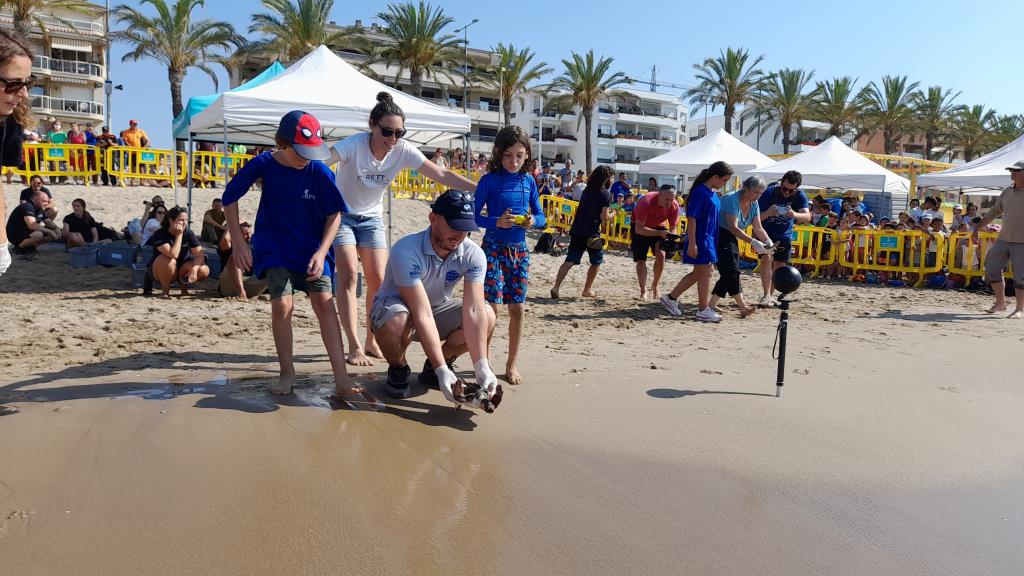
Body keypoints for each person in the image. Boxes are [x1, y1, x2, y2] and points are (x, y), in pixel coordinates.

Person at [328, 92, 477, 367]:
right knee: (349, 275)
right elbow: (322, 162)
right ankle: (354, 345)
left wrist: (482, 190)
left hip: (371, 218)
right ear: (372, 126)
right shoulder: (353, 145)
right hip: (343, 215)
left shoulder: (402, 150)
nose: (392, 139)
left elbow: (441, 175)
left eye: (399, 132)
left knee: (378, 281)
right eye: (387, 131)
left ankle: (372, 340)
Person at [224, 110, 363, 399]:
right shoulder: (263, 164)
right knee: (282, 305)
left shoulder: (319, 170)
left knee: (325, 303)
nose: (307, 158)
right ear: (283, 144)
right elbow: (230, 196)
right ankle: (287, 371)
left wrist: (322, 251)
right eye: (301, 151)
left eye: (312, 151)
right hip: (275, 246)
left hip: (313, 248)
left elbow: (334, 215)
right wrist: (238, 242)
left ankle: (342, 378)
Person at [370, 191, 497, 401]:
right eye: (454, 226)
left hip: (437, 309)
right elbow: (421, 313)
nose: (460, 235)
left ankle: (435, 367)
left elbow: (474, 310)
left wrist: (481, 366)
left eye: (466, 229)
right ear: (433, 218)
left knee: (487, 314)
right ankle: (399, 368)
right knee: (396, 321)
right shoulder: (406, 249)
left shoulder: (474, 254)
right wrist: (442, 371)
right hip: (397, 310)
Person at [474, 125, 547, 386]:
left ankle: (511, 363)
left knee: (518, 308)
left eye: (518, 155)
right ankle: (486, 363)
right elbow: (474, 217)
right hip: (492, 247)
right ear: (498, 154)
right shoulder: (489, 180)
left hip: (519, 251)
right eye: (507, 155)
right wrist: (496, 222)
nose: (513, 161)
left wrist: (531, 221)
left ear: (527, 154)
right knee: (491, 308)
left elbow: (542, 217)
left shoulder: (529, 181)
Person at [660, 161, 734, 323]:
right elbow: (692, 218)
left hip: (709, 238)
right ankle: (702, 309)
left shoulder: (712, 193)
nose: (724, 184)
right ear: (715, 177)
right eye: (724, 180)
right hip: (701, 238)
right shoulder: (700, 192)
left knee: (700, 272)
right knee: (706, 272)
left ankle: (671, 298)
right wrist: (692, 243)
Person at [707, 175, 773, 318]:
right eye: (756, 192)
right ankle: (742, 306)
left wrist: (768, 241)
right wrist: (753, 242)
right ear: (746, 188)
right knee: (732, 270)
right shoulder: (732, 199)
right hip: (716, 233)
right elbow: (733, 227)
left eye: (761, 193)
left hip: (729, 235)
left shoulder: (754, 203)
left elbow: (758, 227)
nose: (758, 195)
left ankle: (712, 304)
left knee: (730, 271)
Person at [550, 165, 616, 299]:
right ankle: (587, 289)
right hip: (592, 232)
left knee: (570, 260)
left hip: (577, 229)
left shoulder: (587, 190)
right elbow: (604, 217)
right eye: (612, 177)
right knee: (596, 261)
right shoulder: (606, 194)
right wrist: (613, 213)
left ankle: (556, 287)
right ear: (607, 178)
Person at [972, 161, 1024, 319]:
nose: (1012, 173)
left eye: (1016, 170)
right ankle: (1000, 303)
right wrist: (977, 228)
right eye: (1011, 170)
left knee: (1021, 276)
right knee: (991, 267)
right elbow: (994, 211)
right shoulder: (1007, 191)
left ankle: (1020, 309)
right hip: (1004, 239)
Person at [756, 170, 811, 306]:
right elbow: (756, 218)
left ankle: (770, 296)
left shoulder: (799, 195)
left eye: (791, 191)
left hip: (784, 236)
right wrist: (768, 212)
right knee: (766, 259)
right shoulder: (769, 192)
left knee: (780, 266)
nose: (787, 193)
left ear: (797, 188)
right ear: (781, 183)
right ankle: (766, 294)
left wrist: (795, 214)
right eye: (784, 189)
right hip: (766, 233)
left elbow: (807, 217)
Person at [145, 206, 209, 298]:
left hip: (182, 268)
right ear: (171, 220)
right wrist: (179, 235)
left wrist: (194, 269)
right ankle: (165, 291)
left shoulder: (189, 233)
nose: (184, 223)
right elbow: (173, 254)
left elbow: (199, 255)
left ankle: (184, 288)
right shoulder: (160, 234)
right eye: (181, 220)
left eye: (186, 220)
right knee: (169, 260)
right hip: (161, 269)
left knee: (203, 269)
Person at [631, 184, 680, 300]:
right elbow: (639, 229)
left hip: (659, 227)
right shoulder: (646, 202)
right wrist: (659, 233)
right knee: (641, 260)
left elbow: (673, 227)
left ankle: (655, 285)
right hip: (640, 227)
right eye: (667, 199)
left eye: (672, 199)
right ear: (659, 195)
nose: (669, 203)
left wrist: (672, 236)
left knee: (661, 255)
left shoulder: (674, 205)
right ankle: (643, 290)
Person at [217, 221, 267, 300]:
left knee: (272, 262)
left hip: (248, 284)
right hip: (229, 285)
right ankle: (241, 292)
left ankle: (277, 292)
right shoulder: (230, 245)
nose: (249, 236)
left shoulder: (252, 245)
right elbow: (226, 239)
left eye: (250, 233)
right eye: (246, 234)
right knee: (236, 256)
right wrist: (232, 227)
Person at [6, 189, 58, 259]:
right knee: (39, 234)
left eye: (48, 201)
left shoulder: (40, 208)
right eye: (44, 201)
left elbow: (48, 222)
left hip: (27, 232)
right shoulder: (27, 206)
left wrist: (56, 228)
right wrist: (50, 231)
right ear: (35, 199)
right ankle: (18, 248)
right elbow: (32, 225)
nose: (46, 203)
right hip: (15, 234)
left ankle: (30, 247)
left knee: (53, 233)